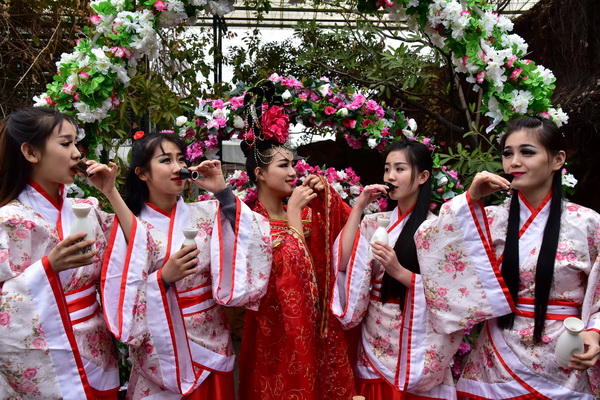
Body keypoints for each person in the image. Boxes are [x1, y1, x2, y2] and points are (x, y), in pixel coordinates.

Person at [416, 116, 600, 399]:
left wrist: (594, 333)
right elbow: (428, 242)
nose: (514, 162)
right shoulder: (488, 220)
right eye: (507, 153)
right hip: (494, 364)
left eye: (527, 152)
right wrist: (469, 200)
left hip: (563, 363)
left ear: (557, 160)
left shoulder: (587, 223)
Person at [101, 131, 271, 399]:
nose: (177, 167)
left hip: (211, 337)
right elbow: (118, 289)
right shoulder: (127, 224)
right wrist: (163, 279)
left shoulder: (207, 213)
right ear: (142, 173)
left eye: (180, 159)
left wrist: (221, 191)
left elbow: (253, 238)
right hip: (160, 344)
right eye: (165, 160)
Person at [0, 107, 134, 399]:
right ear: (30, 152)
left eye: (75, 143)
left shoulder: (84, 209)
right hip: (47, 357)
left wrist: (111, 192)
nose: (76, 153)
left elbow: (136, 247)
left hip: (97, 351)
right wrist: (48, 267)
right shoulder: (9, 220)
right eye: (65, 143)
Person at [236, 82, 356, 400]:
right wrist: (292, 215)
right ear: (260, 174)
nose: (293, 172)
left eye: (293, 164)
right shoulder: (251, 220)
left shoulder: (303, 212)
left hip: (314, 326)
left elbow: (343, 236)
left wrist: (327, 196)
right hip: (273, 331)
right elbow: (286, 277)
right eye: (283, 165)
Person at [331, 139, 459, 399]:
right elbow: (343, 263)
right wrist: (359, 205)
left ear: (423, 176)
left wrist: (398, 270)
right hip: (375, 333)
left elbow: (451, 294)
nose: (390, 176)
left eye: (400, 169)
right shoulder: (373, 222)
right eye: (387, 169)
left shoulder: (436, 228)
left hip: (415, 336)